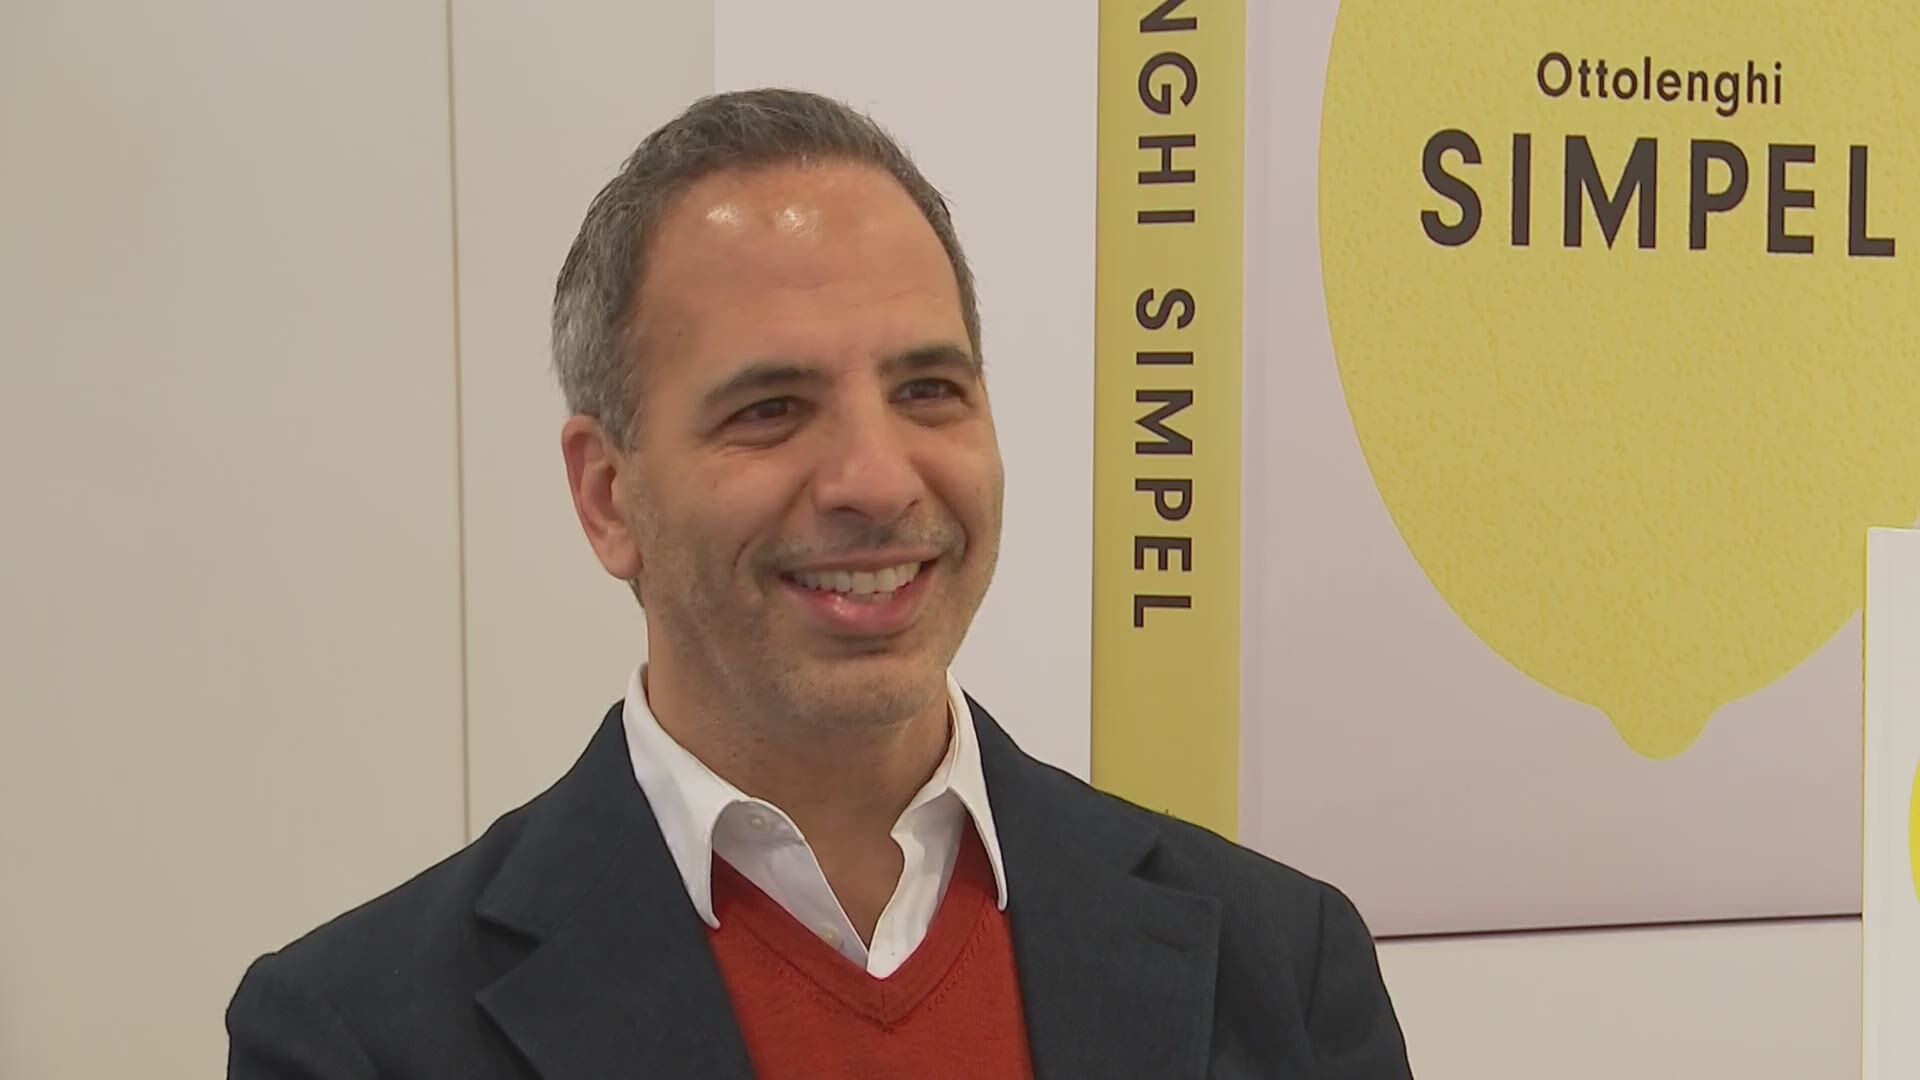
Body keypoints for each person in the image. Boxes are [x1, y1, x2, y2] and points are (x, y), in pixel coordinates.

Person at [225, 88, 1413, 1079]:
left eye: (929, 392)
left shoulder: (1281, 967)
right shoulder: (358, 1037)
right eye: (771, 409)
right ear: (608, 495)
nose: (876, 480)